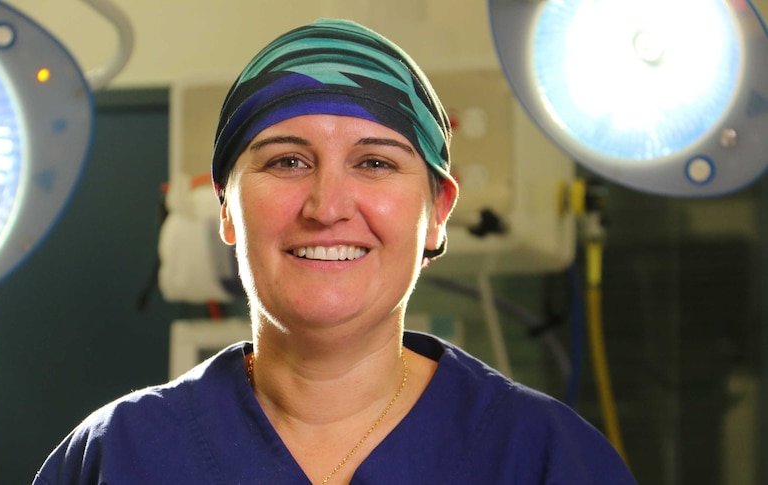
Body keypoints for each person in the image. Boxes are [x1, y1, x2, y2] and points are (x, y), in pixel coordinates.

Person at [33, 18, 637, 485]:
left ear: (437, 213)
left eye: (374, 163)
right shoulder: (120, 456)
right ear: (225, 209)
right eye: (287, 161)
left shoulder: (545, 458)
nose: (326, 206)